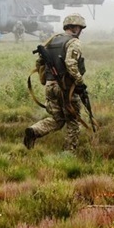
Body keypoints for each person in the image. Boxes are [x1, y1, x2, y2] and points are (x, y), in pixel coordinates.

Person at [23, 13, 88, 151]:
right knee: (73, 122)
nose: (81, 30)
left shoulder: (52, 40)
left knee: (58, 119)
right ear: (73, 27)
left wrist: (47, 79)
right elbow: (71, 64)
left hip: (50, 86)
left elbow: (39, 62)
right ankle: (69, 155)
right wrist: (80, 83)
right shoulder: (73, 42)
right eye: (80, 27)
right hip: (66, 88)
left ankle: (34, 131)